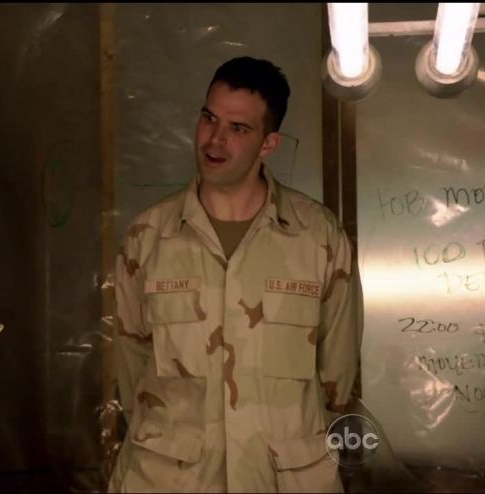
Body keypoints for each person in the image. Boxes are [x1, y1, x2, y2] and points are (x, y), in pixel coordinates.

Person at [108, 57, 362, 492]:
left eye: (238, 128)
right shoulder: (149, 237)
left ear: (268, 144)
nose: (215, 139)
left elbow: (337, 375)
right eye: (209, 118)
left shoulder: (317, 238)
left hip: (285, 479)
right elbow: (131, 365)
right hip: (168, 478)